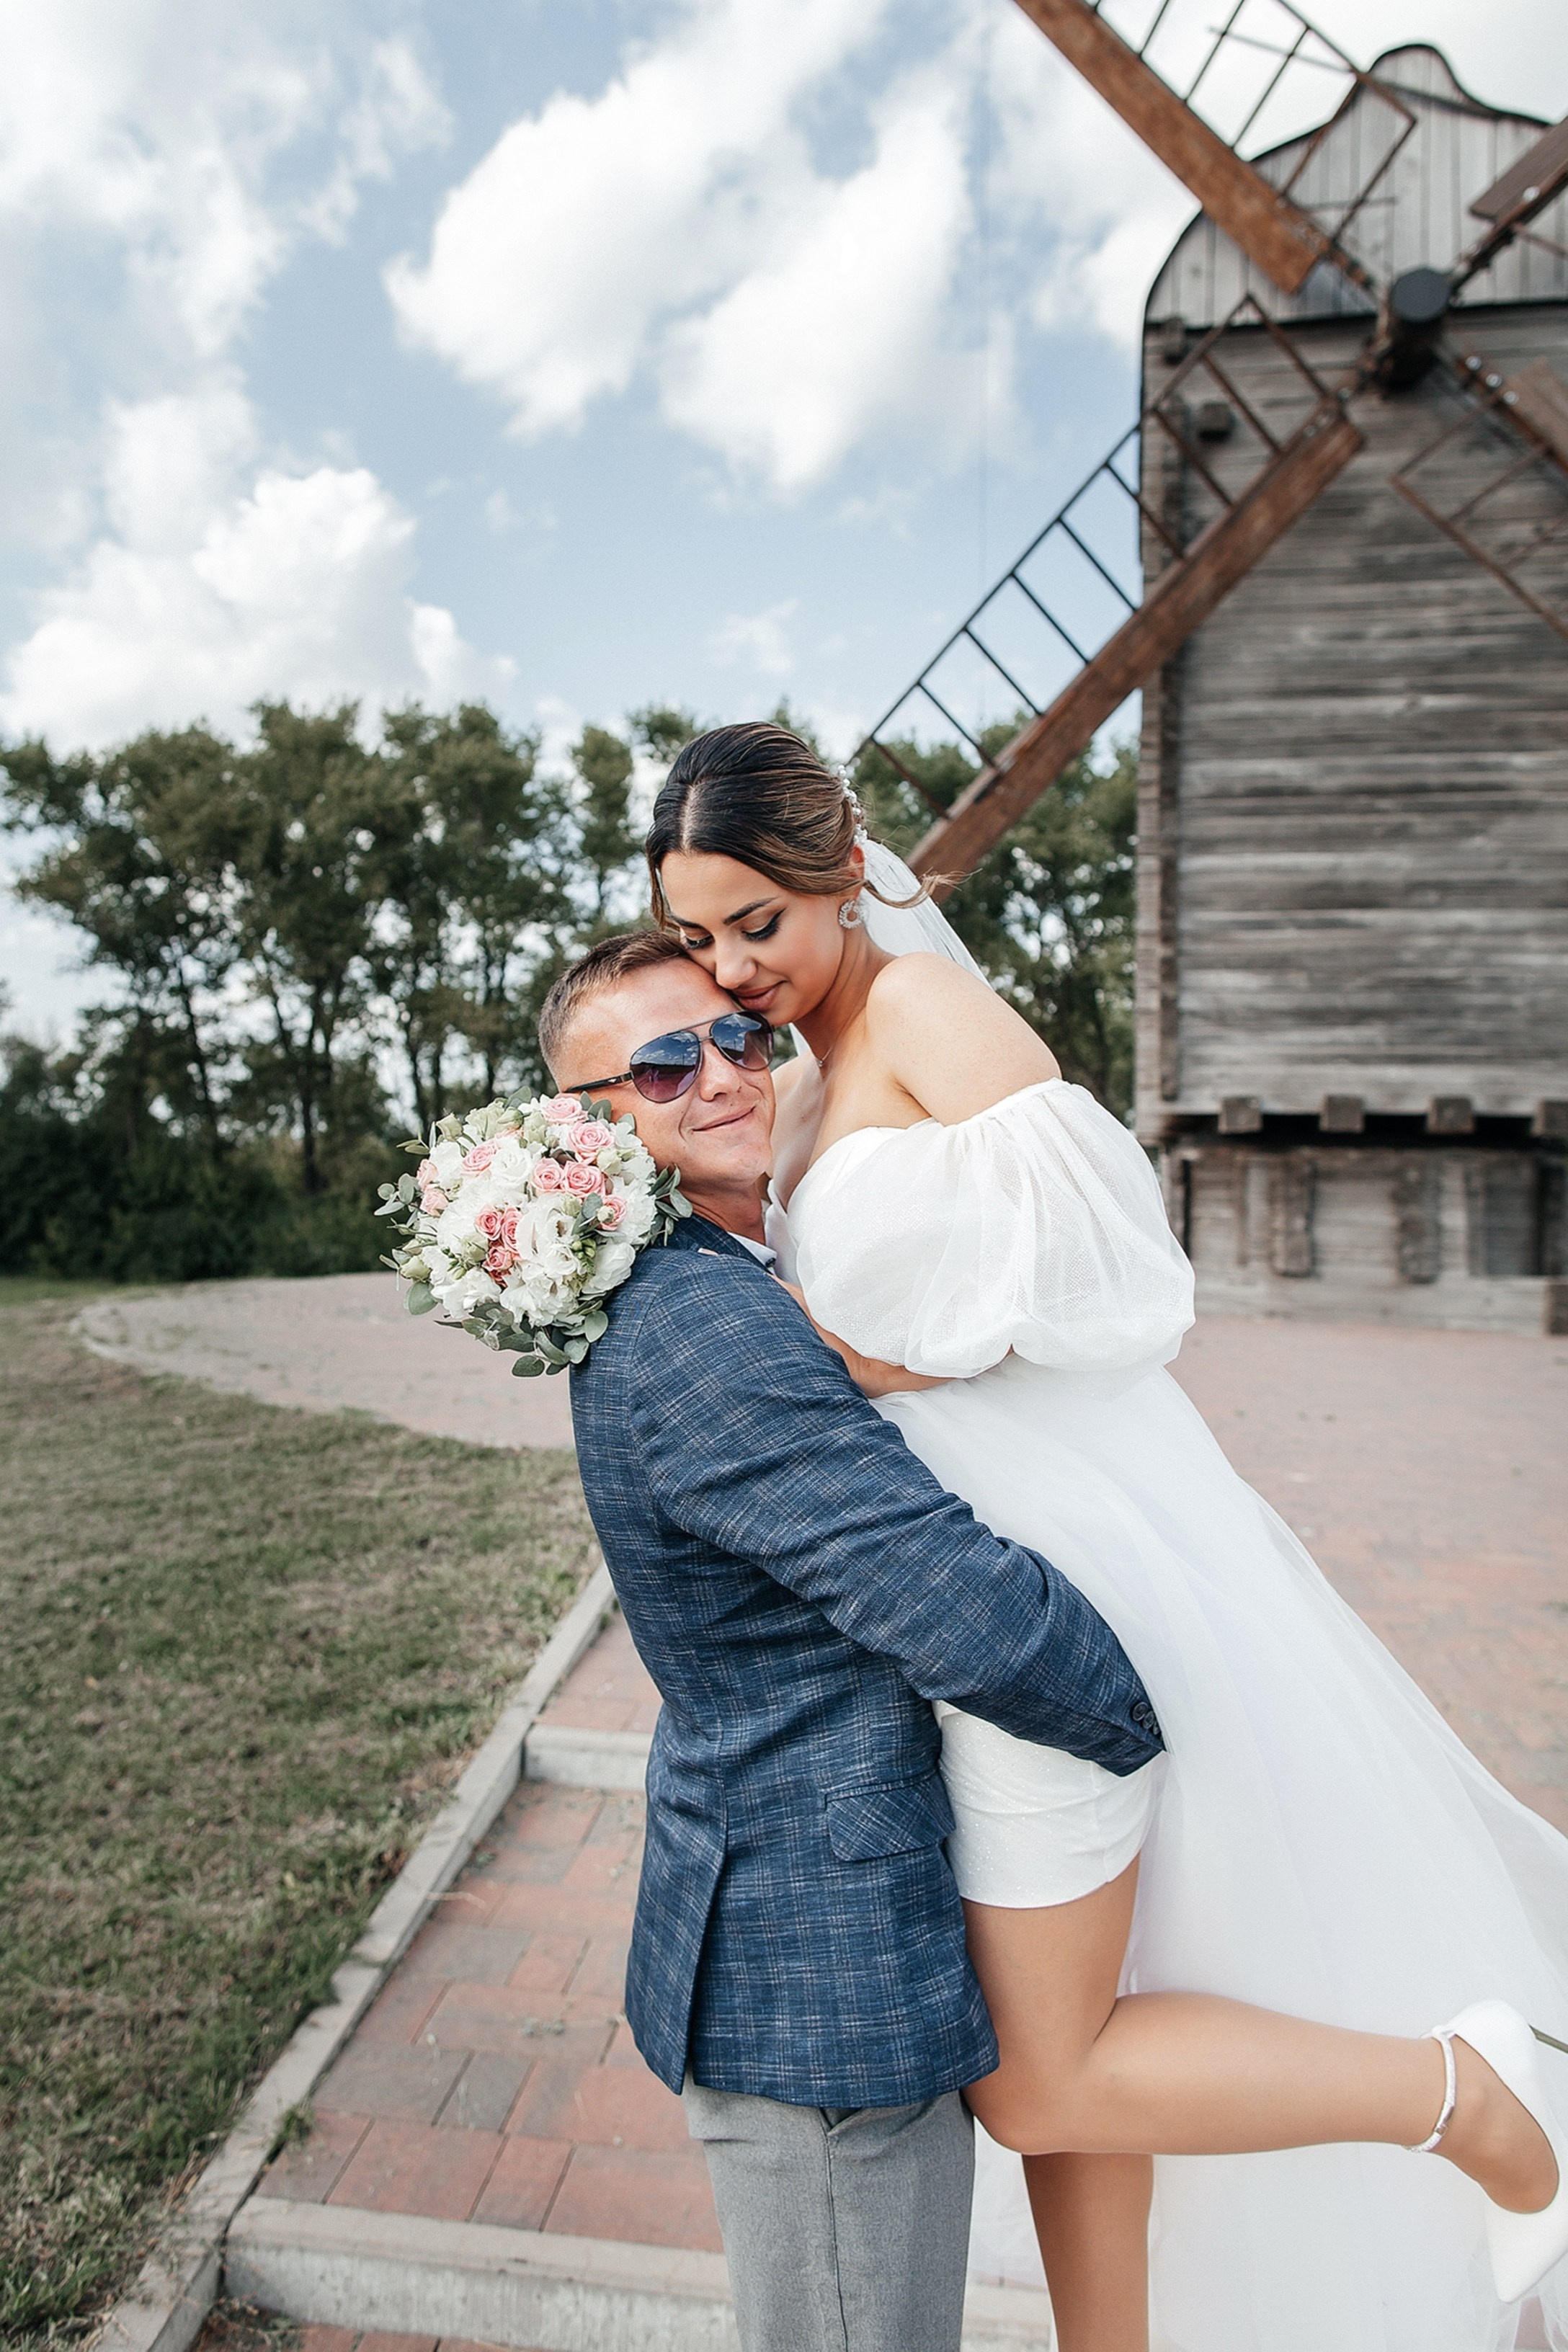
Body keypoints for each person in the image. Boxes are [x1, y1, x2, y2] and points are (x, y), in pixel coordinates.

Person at [643, 720, 1568, 2352]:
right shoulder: (792, 1077)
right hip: (944, 1596)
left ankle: (1466, 2092)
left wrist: (897, 1360)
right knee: (1088, 2024)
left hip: (1058, 1578)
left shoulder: (922, 1012)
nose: (729, 967)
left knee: (1035, 2074)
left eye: (755, 922)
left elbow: (1125, 1257)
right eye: (698, 935)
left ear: (844, 873)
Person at [535, 927, 1165, 2352]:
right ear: (585, 1130)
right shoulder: (701, 1325)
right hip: (818, 1981)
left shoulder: (726, 1265)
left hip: (812, 1920)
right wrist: (1162, 1711)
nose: (719, 1075)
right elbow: (958, 1609)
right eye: (660, 1065)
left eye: (734, 1038)